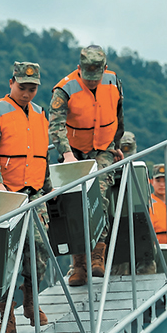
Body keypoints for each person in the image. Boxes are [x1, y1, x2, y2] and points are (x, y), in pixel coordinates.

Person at [0, 61, 52, 333]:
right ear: (11, 83)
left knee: (39, 252)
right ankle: (6, 318)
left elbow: (42, 153)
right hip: (5, 193)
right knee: (4, 259)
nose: (27, 93)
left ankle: (31, 301)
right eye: (23, 87)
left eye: (32, 88)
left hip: (34, 193)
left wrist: (48, 189)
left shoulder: (40, 114)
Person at [49, 44, 124, 284]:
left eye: (96, 77)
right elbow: (56, 125)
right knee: (72, 205)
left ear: (104, 69)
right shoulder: (64, 89)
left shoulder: (113, 82)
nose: (92, 82)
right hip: (73, 150)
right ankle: (78, 264)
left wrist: (117, 144)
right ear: (79, 68)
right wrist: (66, 153)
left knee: (98, 194)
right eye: (87, 77)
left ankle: (97, 255)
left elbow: (118, 114)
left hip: (102, 149)